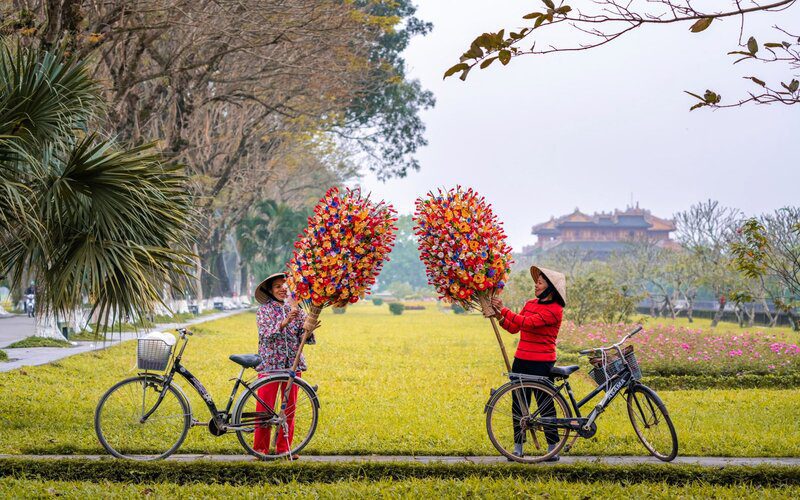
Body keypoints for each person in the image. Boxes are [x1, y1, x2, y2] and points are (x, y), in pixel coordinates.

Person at [491, 265, 566, 461]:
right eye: (537, 282)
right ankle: (518, 449)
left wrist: (504, 309)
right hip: (521, 360)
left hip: (542, 363)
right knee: (519, 404)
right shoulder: (530, 303)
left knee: (545, 403)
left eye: (540, 282)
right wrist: (500, 316)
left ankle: (552, 449)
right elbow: (515, 327)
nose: (536, 285)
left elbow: (528, 323)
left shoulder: (555, 310)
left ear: (551, 288)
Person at [252, 272, 316, 458]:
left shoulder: (297, 310)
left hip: (291, 366)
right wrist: (285, 321)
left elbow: (304, 339)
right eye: (278, 286)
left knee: (288, 408)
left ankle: (284, 448)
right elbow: (266, 334)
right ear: (270, 291)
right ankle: (261, 449)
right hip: (270, 365)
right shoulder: (264, 310)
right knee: (264, 409)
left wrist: (308, 329)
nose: (282, 289)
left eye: (285, 285)